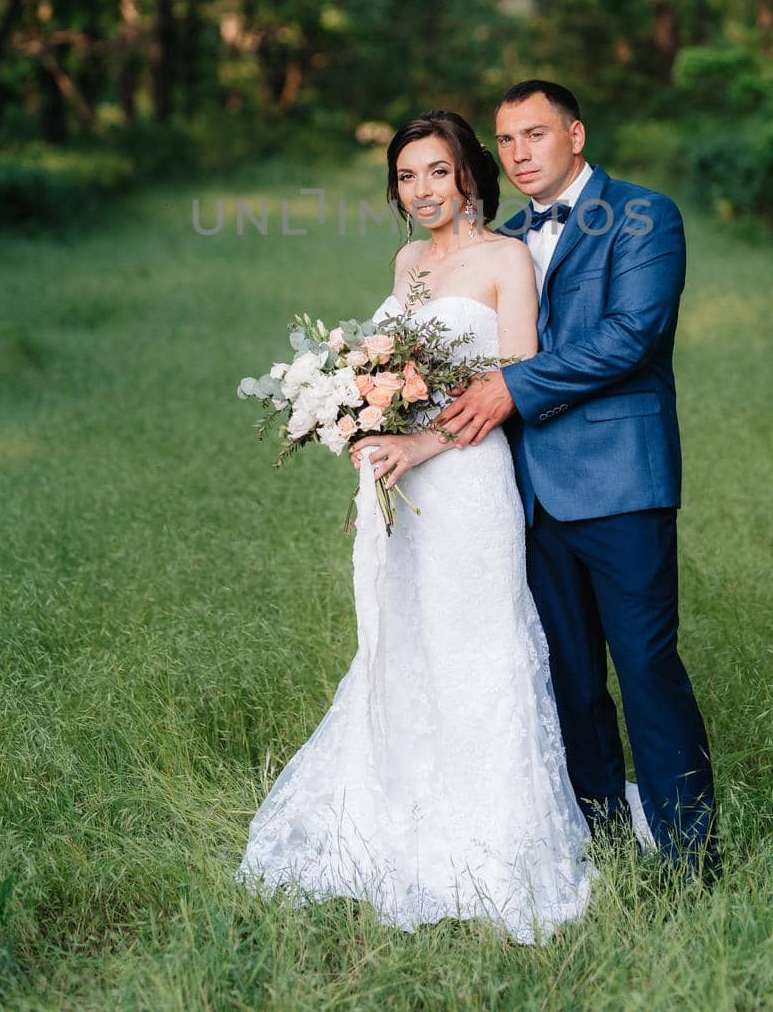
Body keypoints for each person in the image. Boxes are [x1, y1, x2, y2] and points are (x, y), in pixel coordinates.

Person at [235, 109, 651, 942]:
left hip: (466, 483)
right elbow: (388, 377)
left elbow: (515, 388)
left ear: (469, 174)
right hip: (404, 494)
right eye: (405, 176)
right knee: (406, 644)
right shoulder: (407, 261)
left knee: (478, 649)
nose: (421, 191)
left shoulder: (506, 260)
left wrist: (421, 441)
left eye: (436, 171)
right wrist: (364, 442)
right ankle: (401, 810)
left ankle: (496, 837)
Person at [435, 80, 720, 883]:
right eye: (505, 141)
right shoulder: (502, 240)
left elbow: (634, 334)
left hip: (623, 482)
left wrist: (511, 390)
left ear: (577, 133)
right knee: (567, 679)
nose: (519, 153)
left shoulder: (644, 214)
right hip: (524, 490)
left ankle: (690, 859)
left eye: (535, 133)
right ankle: (598, 843)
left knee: (647, 669)